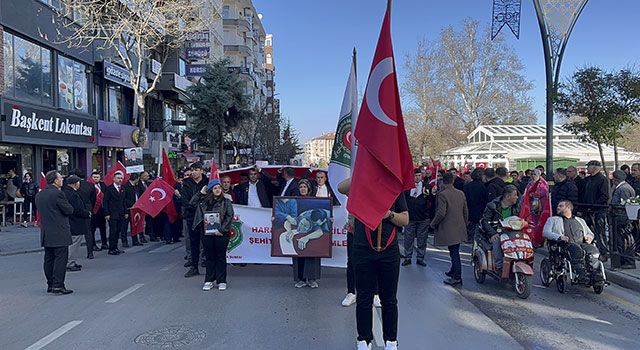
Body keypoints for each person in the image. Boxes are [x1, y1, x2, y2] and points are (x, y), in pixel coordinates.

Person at [348, 180, 408, 350]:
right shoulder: (361, 185)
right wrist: (363, 173)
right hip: (362, 249)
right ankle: (363, 340)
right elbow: (341, 187)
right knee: (364, 298)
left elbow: (405, 219)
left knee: (389, 299)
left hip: (389, 252)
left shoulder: (394, 188)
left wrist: (389, 214)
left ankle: (391, 341)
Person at [190, 178, 234, 291]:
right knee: (209, 256)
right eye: (215, 188)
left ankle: (221, 281)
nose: (218, 190)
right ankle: (209, 280)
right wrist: (201, 192)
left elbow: (229, 216)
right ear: (210, 190)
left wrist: (222, 230)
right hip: (207, 233)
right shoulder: (203, 202)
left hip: (221, 234)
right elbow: (191, 203)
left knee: (220, 256)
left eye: (219, 188)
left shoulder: (226, 201)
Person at [542, 200, 601, 283]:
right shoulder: (553, 220)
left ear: (568, 207)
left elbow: (590, 233)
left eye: (561, 206)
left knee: (593, 251)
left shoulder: (580, 220)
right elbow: (545, 232)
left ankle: (596, 275)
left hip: (582, 243)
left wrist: (589, 237)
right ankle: (581, 275)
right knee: (575, 250)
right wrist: (559, 237)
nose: (557, 208)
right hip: (565, 244)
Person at [36, 170, 75, 295]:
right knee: (60, 259)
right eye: (60, 178)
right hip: (59, 231)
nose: (62, 180)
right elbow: (68, 210)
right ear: (55, 180)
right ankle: (58, 285)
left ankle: (50, 284)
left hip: (46, 231)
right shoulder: (58, 194)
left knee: (49, 259)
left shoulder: (40, 194)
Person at [430, 173, 469, 286]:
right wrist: (464, 223)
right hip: (459, 226)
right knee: (454, 250)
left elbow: (441, 213)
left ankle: (457, 277)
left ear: (443, 181)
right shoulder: (461, 193)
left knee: (454, 253)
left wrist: (433, 224)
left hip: (448, 227)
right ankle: (453, 271)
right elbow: (465, 210)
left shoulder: (442, 195)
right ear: (452, 181)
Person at [289, 179, 323, 288]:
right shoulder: (293, 201)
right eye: (301, 187)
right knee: (299, 255)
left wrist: (330, 218)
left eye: (305, 187)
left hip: (312, 231)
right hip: (299, 230)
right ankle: (301, 279)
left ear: (308, 188)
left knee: (312, 255)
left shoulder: (315, 201)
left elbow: (320, 227)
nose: (303, 189)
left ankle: (312, 279)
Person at [481, 185, 520, 271]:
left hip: (511, 231)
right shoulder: (493, 205)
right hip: (496, 232)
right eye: (515, 195)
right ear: (507, 196)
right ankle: (499, 266)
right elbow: (485, 221)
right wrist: (492, 233)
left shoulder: (516, 206)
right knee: (497, 241)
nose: (517, 197)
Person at [182, 162, 209, 277]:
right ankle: (194, 266)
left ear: (201, 171)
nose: (193, 172)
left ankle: (209, 264)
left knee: (207, 242)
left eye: (196, 170)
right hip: (192, 217)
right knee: (194, 242)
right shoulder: (187, 184)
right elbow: (187, 202)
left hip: (207, 217)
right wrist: (199, 195)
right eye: (192, 170)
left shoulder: (208, 182)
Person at [402, 168, 432, 266]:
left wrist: (433, 193)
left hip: (423, 217)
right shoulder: (407, 187)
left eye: (419, 175)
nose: (417, 177)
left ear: (421, 176)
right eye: (415, 175)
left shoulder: (426, 186)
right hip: (410, 217)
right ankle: (407, 257)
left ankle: (420, 258)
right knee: (408, 238)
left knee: (422, 239)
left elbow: (432, 200)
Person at [582, 160, 610, 257]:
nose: (587, 169)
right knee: (589, 232)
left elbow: (605, 196)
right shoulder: (588, 179)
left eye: (588, 167)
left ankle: (603, 253)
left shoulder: (602, 179)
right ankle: (591, 251)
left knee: (600, 232)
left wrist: (593, 205)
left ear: (594, 168)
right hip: (588, 210)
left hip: (598, 210)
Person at [62, 175, 91, 270]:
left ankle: (71, 261)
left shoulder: (66, 192)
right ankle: (70, 263)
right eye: (79, 182)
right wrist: (87, 213)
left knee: (72, 243)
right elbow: (77, 209)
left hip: (70, 221)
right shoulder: (73, 194)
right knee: (74, 243)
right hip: (75, 222)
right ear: (75, 183)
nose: (80, 184)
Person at [610, 170, 636, 268]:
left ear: (615, 179)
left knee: (625, 240)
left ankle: (628, 261)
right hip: (621, 218)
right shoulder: (624, 187)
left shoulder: (623, 189)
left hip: (622, 219)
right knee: (621, 240)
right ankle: (623, 259)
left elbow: (624, 204)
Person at [521, 169, 551, 247]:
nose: (533, 176)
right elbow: (526, 192)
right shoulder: (530, 183)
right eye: (532, 174)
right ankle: (532, 238)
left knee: (540, 222)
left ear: (539, 175)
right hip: (531, 205)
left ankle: (539, 240)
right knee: (531, 222)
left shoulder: (543, 183)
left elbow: (544, 192)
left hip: (541, 206)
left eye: (534, 174)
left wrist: (535, 194)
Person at [103, 171, 126, 256]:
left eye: (121, 178)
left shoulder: (122, 188)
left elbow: (123, 201)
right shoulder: (109, 189)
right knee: (113, 231)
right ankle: (111, 248)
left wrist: (125, 212)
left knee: (118, 231)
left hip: (120, 213)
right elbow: (105, 202)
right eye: (118, 178)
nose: (120, 180)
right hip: (112, 213)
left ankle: (116, 247)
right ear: (114, 179)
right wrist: (106, 213)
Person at [464, 168, 489, 242]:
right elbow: (486, 200)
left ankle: (469, 238)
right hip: (481, 210)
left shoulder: (467, 186)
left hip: (469, 209)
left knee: (471, 227)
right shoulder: (483, 186)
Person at [90, 171, 108, 251]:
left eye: (97, 177)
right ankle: (93, 244)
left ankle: (104, 243)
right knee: (92, 229)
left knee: (103, 227)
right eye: (94, 177)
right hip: (93, 210)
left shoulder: (103, 185)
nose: (96, 179)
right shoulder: (90, 186)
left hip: (102, 209)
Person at [123, 173, 141, 247]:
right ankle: (124, 241)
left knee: (134, 225)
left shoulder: (136, 186)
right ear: (136, 179)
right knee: (125, 226)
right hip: (128, 208)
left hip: (135, 209)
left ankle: (135, 240)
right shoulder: (126, 186)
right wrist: (131, 204)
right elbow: (124, 198)